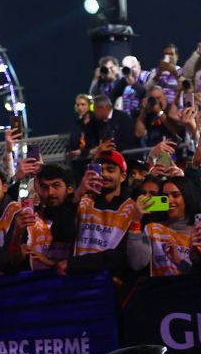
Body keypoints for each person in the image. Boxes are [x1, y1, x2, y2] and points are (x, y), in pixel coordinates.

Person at [68, 150, 139, 278]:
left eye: (110, 170)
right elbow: (61, 233)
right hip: (77, 281)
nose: (104, 174)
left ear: (123, 177)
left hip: (110, 285)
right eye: (100, 170)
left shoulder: (134, 207)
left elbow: (168, 203)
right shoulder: (82, 200)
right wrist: (77, 193)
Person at [9, 164, 77, 271]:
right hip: (38, 286)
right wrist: (17, 233)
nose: (50, 193)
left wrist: (51, 263)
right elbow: (15, 261)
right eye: (45, 187)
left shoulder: (82, 215)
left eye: (56, 186)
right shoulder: (29, 218)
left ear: (69, 189)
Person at [65, 93, 137, 158]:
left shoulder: (123, 118)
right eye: (78, 105)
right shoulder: (96, 123)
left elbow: (128, 141)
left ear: (101, 108)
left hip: (125, 159)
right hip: (105, 160)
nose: (93, 112)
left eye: (94, 109)